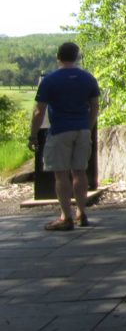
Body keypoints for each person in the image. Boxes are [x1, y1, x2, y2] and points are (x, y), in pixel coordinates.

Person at [29, 42, 100, 231]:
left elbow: (39, 111)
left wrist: (33, 135)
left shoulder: (50, 80)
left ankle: (66, 216)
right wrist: (88, 126)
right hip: (82, 130)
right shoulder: (88, 79)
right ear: (76, 57)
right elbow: (95, 106)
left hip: (60, 130)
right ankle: (82, 212)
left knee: (61, 174)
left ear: (58, 57)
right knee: (80, 171)